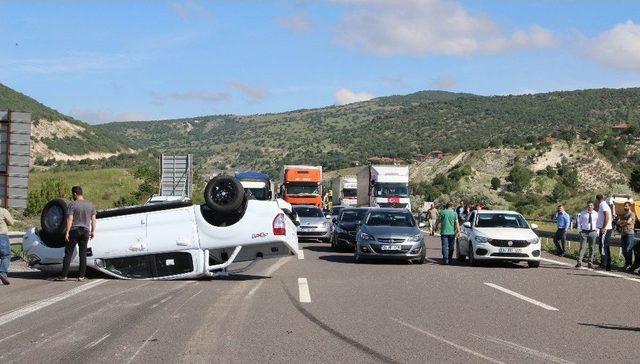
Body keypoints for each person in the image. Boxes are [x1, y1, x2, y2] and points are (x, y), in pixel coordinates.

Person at [55, 186, 97, 282]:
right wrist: (93, 231)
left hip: (74, 231)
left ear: (75, 194)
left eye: (72, 194)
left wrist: (67, 232)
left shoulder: (72, 204)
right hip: (86, 231)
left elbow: (69, 219)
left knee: (68, 253)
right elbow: (93, 219)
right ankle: (81, 276)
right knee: (83, 254)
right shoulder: (90, 205)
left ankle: (64, 275)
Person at [576, 202, 598, 268]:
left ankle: (590, 263)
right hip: (584, 232)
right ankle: (579, 262)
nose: (590, 206)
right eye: (588, 205)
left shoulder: (596, 214)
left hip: (593, 232)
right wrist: (580, 230)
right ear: (587, 206)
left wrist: (597, 231)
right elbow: (579, 222)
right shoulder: (583, 213)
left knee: (592, 248)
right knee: (582, 247)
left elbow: (598, 223)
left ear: (593, 206)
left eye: (591, 205)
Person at [595, 194, 613, 271]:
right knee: (605, 246)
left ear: (597, 199)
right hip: (606, 228)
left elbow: (607, 216)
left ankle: (603, 265)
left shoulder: (603, 205)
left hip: (605, 229)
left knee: (602, 247)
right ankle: (607, 265)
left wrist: (604, 227)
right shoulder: (604, 205)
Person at [0, 198, 15, 285]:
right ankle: (2, 273)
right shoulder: (3, 211)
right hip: (1, 236)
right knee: (6, 255)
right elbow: (11, 222)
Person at [617, 202, 636, 271]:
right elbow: (618, 222)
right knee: (624, 251)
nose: (625, 207)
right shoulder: (623, 214)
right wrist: (624, 222)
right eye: (624, 206)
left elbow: (628, 222)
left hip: (629, 234)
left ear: (629, 207)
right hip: (623, 233)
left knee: (628, 250)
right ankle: (627, 263)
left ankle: (629, 265)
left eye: (626, 206)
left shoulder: (632, 214)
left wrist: (623, 222)